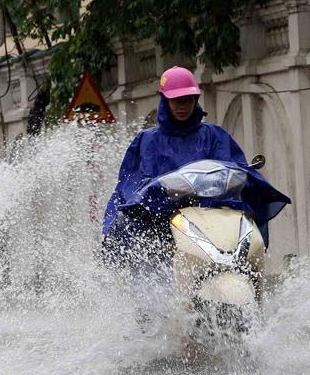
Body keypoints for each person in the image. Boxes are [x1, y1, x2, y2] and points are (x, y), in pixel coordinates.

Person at [102, 66, 250, 266]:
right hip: (161, 221)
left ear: (195, 101)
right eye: (177, 100)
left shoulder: (215, 135)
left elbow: (233, 170)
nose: (183, 106)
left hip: (212, 217)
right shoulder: (147, 141)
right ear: (165, 101)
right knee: (128, 229)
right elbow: (132, 186)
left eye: (188, 100)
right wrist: (157, 197)